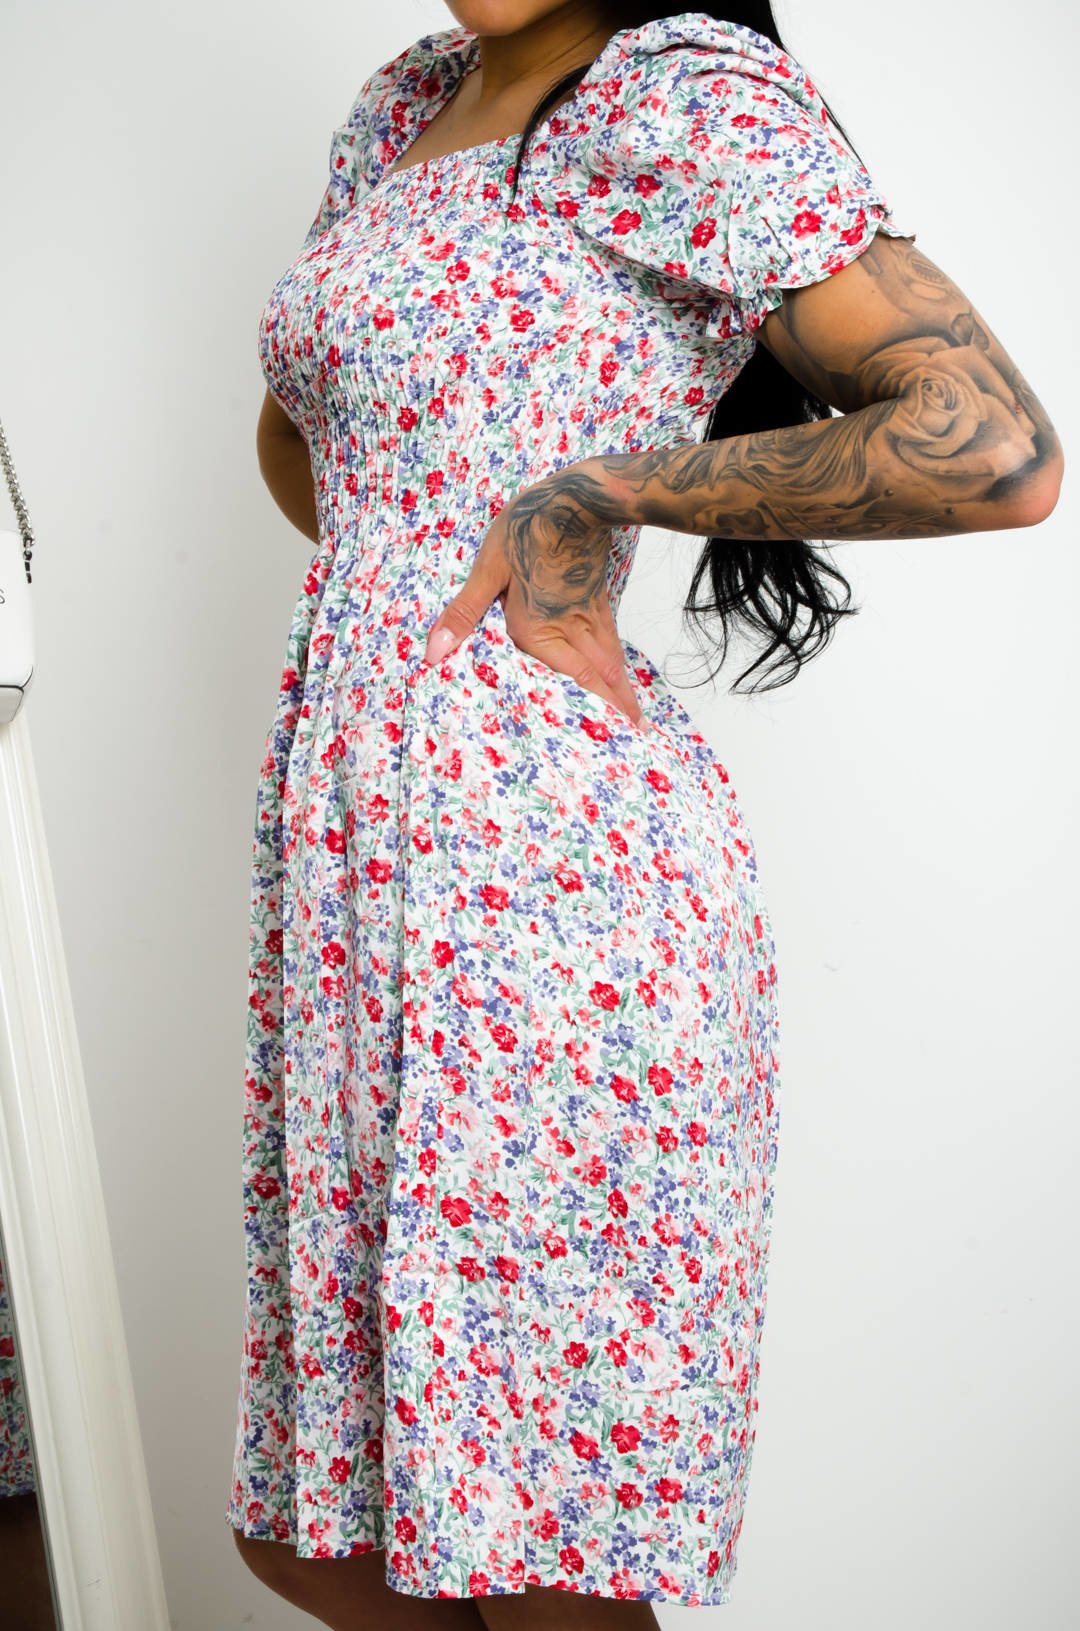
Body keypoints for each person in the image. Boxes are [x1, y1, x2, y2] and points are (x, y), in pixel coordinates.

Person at [227, 4, 1064, 1626]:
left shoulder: (678, 93)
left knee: (534, 1545)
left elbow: (996, 450)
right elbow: (321, 445)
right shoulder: (403, 104)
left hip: (547, 872)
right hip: (356, 859)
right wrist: (409, 597)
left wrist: (596, 493)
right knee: (333, 1536)